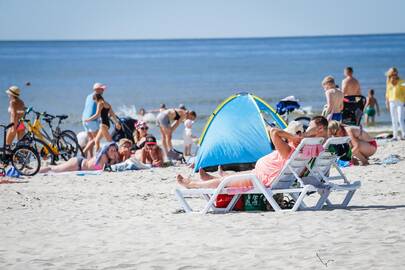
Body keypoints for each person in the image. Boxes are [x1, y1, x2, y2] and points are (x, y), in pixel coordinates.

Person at [177, 116, 328, 189]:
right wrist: (300, 137)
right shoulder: (311, 146)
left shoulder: (291, 149)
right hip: (266, 173)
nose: (307, 130)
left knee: (226, 183)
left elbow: (274, 132)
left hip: (265, 178)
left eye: (310, 127)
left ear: (319, 129)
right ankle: (214, 177)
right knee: (236, 176)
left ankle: (192, 184)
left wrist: (293, 137)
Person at [39, 142, 120, 173]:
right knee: (53, 169)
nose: (114, 152)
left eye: (115, 150)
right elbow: (102, 168)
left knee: (55, 168)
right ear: (106, 150)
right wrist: (114, 159)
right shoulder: (103, 156)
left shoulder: (108, 158)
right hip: (78, 164)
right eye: (112, 150)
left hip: (79, 163)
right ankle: (32, 171)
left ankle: (38, 168)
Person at [82, 83, 106, 157]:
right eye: (101, 89)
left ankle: (90, 157)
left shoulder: (88, 96)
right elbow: (99, 112)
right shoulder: (99, 98)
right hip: (92, 120)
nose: (103, 90)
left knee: (90, 139)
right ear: (97, 90)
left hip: (84, 119)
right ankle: (83, 151)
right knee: (96, 139)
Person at [385, 67, 405, 140]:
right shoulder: (388, 82)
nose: (394, 74)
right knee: (394, 119)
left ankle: (404, 135)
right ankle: (395, 136)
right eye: (393, 72)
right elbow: (387, 93)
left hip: (401, 101)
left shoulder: (402, 81)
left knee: (400, 118)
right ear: (390, 73)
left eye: (395, 72)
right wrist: (387, 103)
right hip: (391, 101)